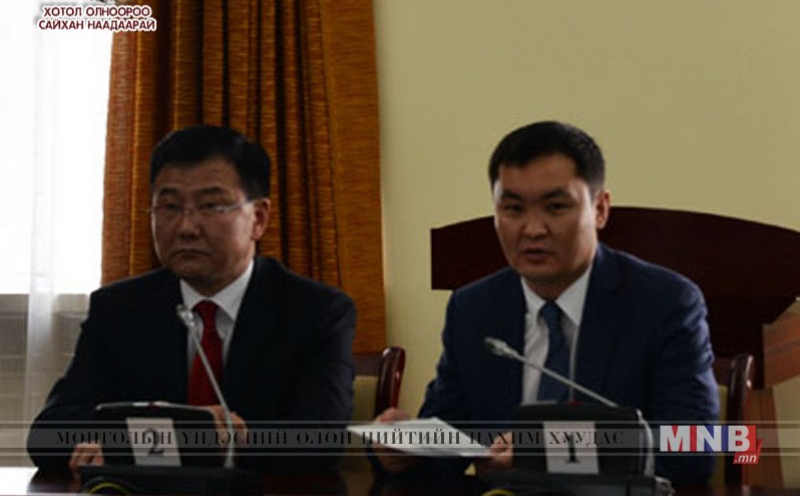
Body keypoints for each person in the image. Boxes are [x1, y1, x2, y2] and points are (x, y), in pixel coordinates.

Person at [375, 121, 718, 486]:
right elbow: (446, 447)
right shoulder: (474, 309)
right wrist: (404, 454)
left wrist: (551, 451)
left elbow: (694, 449)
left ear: (600, 209)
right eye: (513, 209)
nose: (533, 229)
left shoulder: (663, 304)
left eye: (555, 207)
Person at [27, 125, 355, 475]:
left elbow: (320, 440)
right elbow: (48, 436)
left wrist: (150, 445)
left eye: (210, 206)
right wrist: (186, 439)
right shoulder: (119, 309)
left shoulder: (316, 312)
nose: (186, 227)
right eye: (169, 207)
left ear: (258, 218)